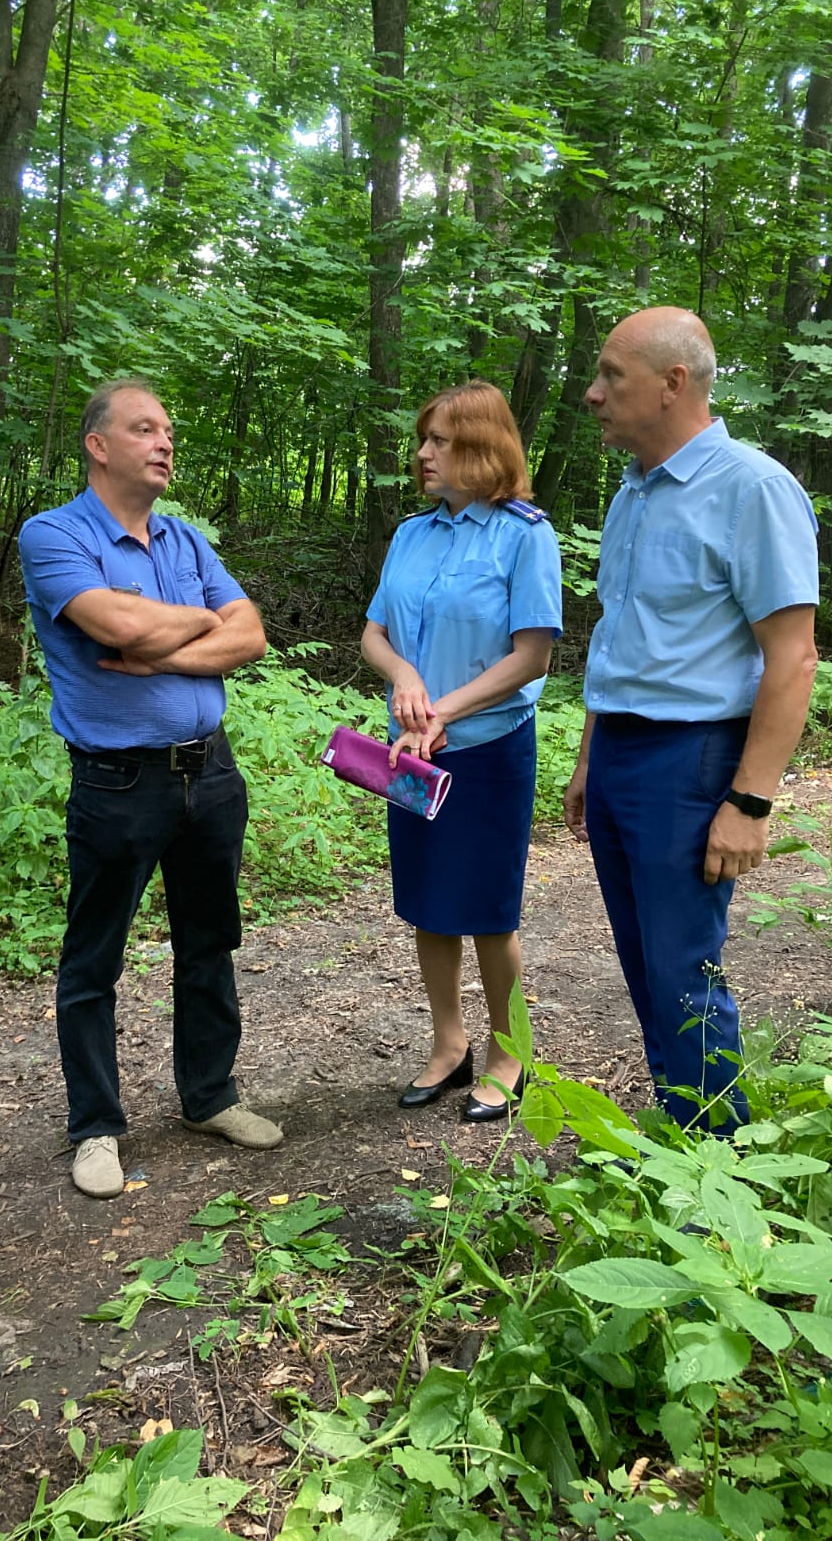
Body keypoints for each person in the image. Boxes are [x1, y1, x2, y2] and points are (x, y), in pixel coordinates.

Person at [18, 379, 281, 1200]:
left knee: (210, 941)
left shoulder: (186, 541)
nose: (164, 442)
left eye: (168, 430)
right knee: (94, 958)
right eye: (144, 429)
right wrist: (193, 621)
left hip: (211, 771)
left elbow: (253, 635)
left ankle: (209, 1097)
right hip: (117, 780)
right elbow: (118, 627)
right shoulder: (53, 534)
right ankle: (95, 1126)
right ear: (99, 445)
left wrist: (161, 641)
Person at [564, 306, 820, 1132]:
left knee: (682, 967)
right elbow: (623, 640)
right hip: (620, 756)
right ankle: (680, 1138)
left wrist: (750, 802)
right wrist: (587, 761)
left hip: (693, 759)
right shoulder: (632, 495)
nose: (594, 393)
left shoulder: (752, 488)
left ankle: (721, 1162)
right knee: (643, 962)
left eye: (612, 376)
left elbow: (792, 657)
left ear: (674, 383)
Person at [361, 381, 562, 1121]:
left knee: (487, 908)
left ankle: (511, 1054)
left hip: (487, 749)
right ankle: (449, 1047)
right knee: (428, 903)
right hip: (411, 754)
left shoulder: (524, 535)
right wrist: (406, 676)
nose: (423, 454)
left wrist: (442, 708)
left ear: (482, 447)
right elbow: (374, 633)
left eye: (440, 440)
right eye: (424, 439)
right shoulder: (412, 535)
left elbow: (532, 655)